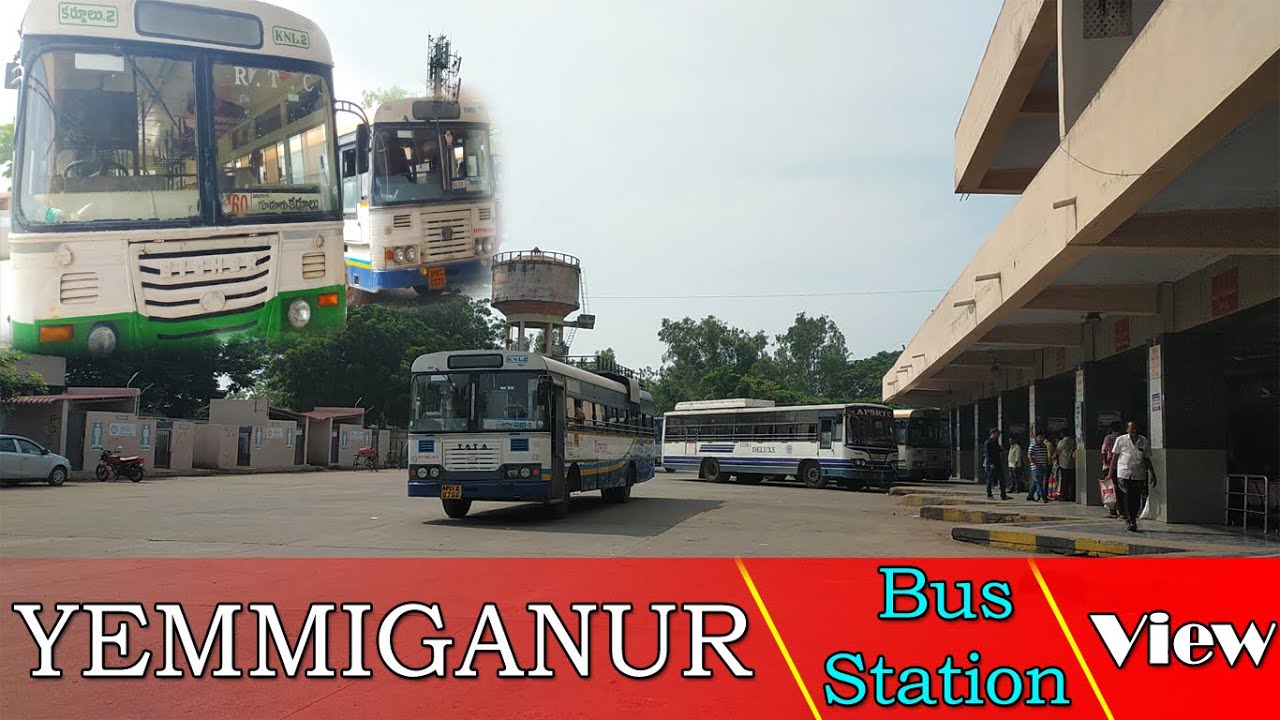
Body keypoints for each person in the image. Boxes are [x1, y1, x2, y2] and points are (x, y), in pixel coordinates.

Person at [1110, 421, 1154, 532]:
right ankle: (1130, 519)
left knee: (1136, 498)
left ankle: (1132, 518)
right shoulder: (1121, 440)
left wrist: (1152, 473)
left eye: (1136, 429)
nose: (1134, 431)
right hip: (1124, 473)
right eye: (1132, 429)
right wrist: (1110, 473)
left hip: (1138, 474)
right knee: (1128, 494)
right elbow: (1114, 457)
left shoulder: (1143, 441)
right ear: (1127, 429)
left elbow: (1146, 458)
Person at [1101, 422, 1123, 518]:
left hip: (1110, 465)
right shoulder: (1123, 438)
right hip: (1120, 466)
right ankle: (1122, 510)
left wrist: (1105, 462)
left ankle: (1112, 510)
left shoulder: (1108, 438)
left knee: (1110, 487)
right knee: (1120, 488)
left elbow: (1104, 451)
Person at [984, 428, 1009, 500]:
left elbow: (998, 450)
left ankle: (1003, 495)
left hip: (998, 463)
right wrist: (991, 463)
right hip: (991, 464)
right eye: (997, 434)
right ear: (993, 433)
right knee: (990, 479)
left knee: (1002, 479)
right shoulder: (988, 442)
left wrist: (1002, 449)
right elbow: (987, 454)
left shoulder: (995, 442)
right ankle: (989, 494)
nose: (998, 435)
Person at [1027, 431, 1050, 502]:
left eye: (1042, 437)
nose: (1041, 439)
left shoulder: (1044, 446)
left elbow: (1045, 456)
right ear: (1036, 438)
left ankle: (1030, 496)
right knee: (1039, 483)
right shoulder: (1033, 445)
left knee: (1035, 482)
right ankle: (1043, 497)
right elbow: (1029, 455)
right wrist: (1035, 464)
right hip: (1036, 467)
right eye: (1039, 437)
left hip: (1043, 466)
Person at [1056, 431, 1077, 502]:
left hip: (1064, 463)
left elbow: (1057, 451)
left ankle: (1065, 496)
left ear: (1062, 434)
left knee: (1065, 481)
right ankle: (1072, 496)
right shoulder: (1073, 441)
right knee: (1072, 481)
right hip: (1073, 463)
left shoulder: (1061, 442)